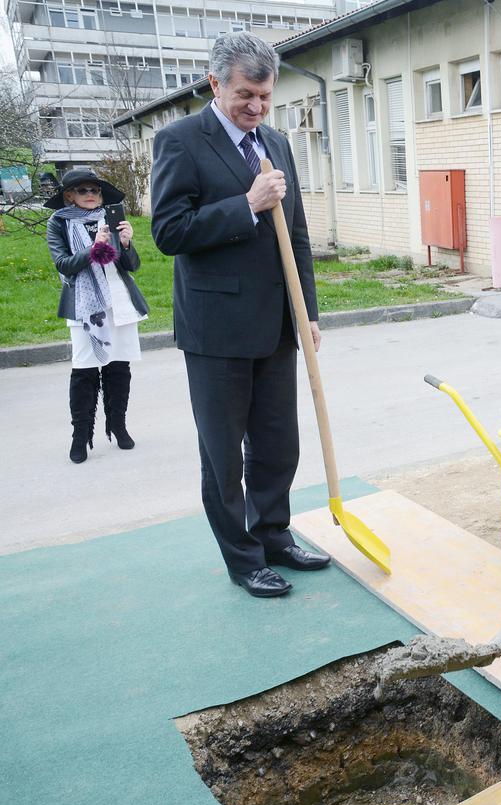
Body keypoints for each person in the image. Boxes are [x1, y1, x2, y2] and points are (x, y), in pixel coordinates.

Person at [150, 32, 330, 598]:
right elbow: (169, 232)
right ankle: (243, 558)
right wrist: (246, 205)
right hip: (217, 330)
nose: (255, 107)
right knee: (225, 455)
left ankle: (274, 535)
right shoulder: (180, 141)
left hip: (277, 323)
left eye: (265, 97)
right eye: (245, 95)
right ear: (215, 83)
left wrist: (308, 312)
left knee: (278, 443)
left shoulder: (275, 143)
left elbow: (296, 234)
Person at [44, 168, 148, 464]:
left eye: (95, 190)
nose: (91, 195)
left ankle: (118, 426)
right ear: (69, 196)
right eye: (83, 190)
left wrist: (125, 243)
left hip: (119, 301)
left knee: (119, 367)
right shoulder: (59, 222)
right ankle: (81, 435)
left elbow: (131, 266)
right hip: (86, 306)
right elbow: (64, 264)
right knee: (85, 370)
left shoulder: (111, 218)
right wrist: (94, 249)